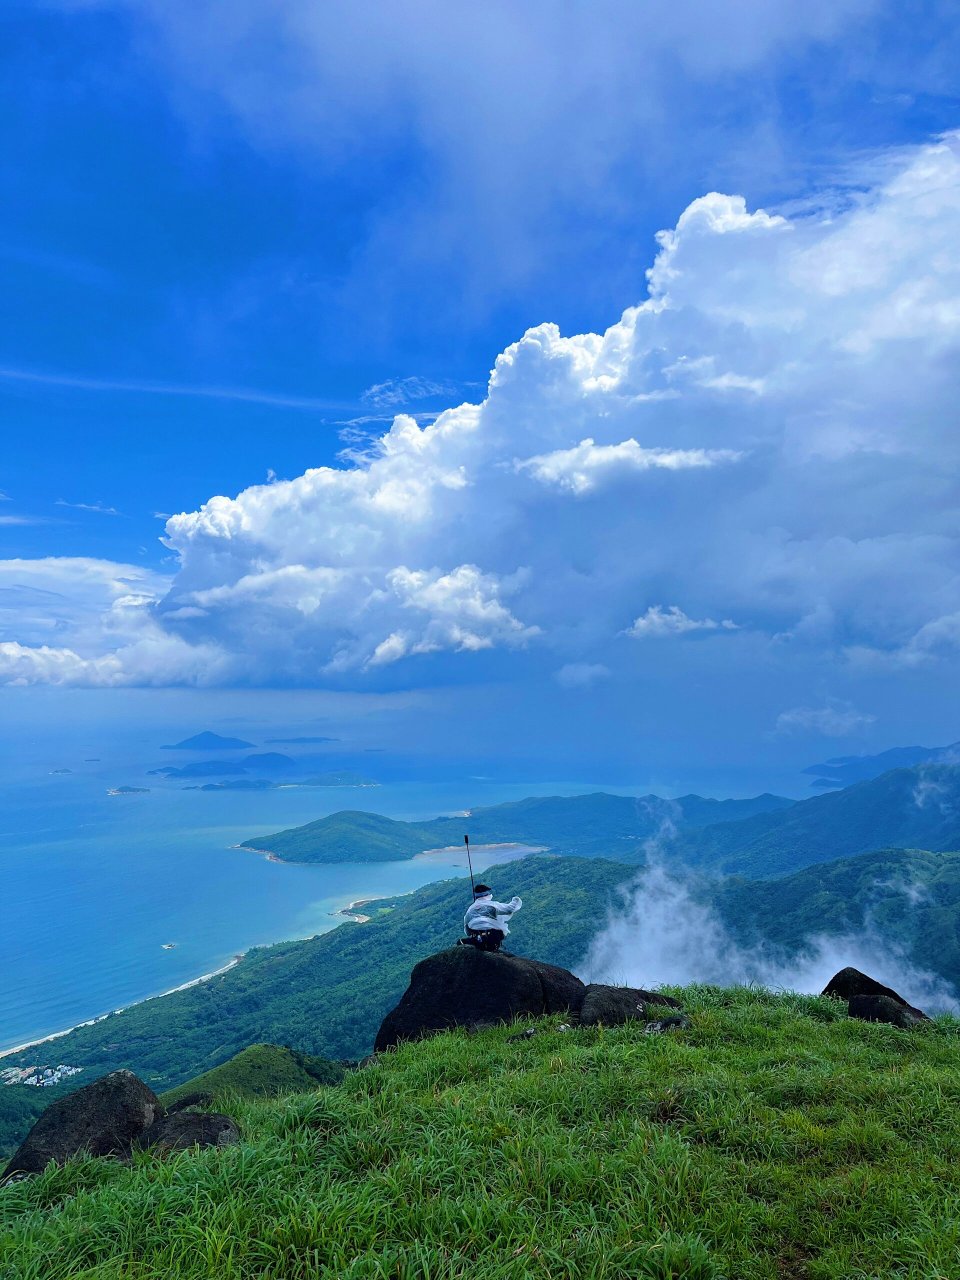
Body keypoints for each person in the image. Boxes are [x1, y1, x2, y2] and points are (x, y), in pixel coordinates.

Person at [460, 883, 522, 952]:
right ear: (487, 894)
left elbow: (467, 931)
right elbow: (510, 909)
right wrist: (516, 899)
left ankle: (473, 942)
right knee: (498, 932)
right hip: (492, 938)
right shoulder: (493, 905)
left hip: (476, 939)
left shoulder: (470, 910)